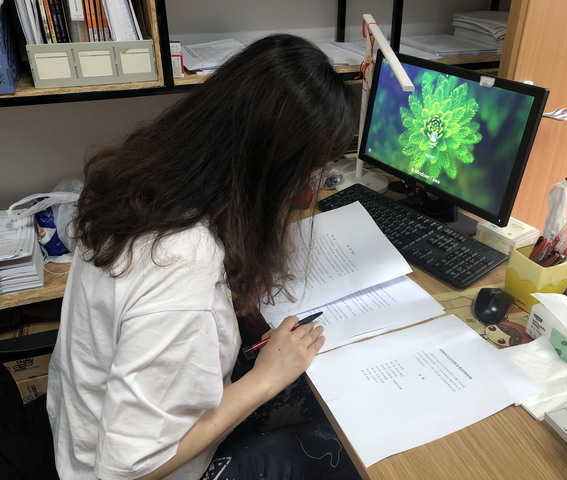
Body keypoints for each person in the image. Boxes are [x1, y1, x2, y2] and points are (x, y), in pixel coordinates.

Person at [47, 34, 359, 479]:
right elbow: (127, 468)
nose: (313, 187)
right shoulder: (182, 266)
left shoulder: (144, 178)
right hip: (132, 466)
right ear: (269, 172)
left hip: (81, 427)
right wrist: (266, 378)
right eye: (310, 173)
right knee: (340, 441)